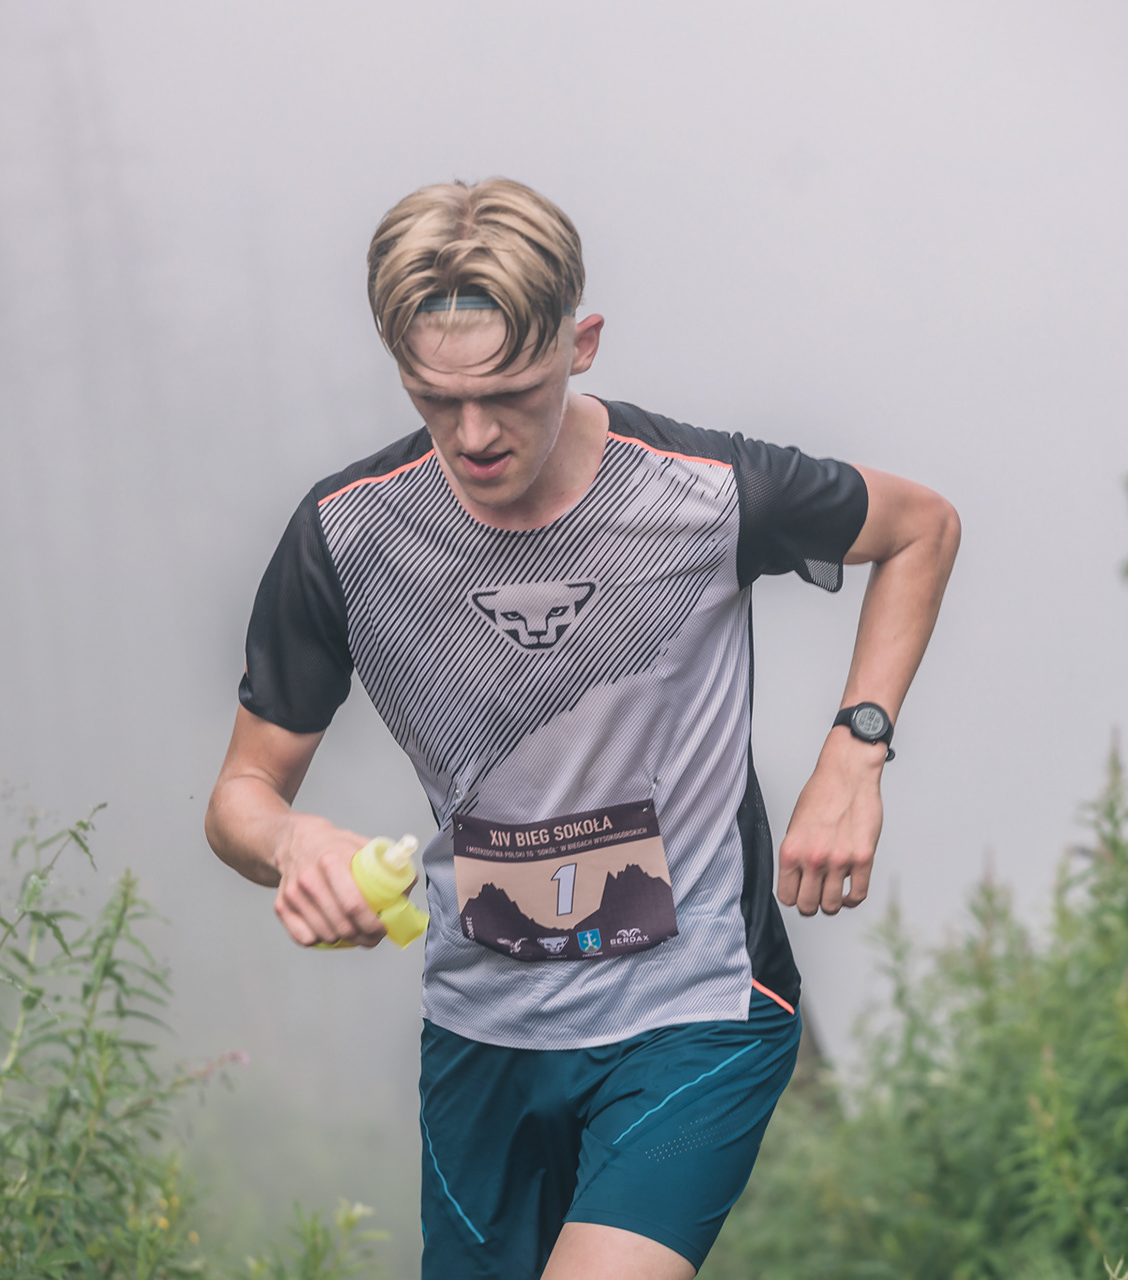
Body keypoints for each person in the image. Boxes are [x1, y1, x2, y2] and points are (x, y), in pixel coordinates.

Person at [204, 177, 960, 1280]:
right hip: (482, 1032)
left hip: (695, 1006)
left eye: (512, 391)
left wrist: (855, 751)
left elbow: (921, 527)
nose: (474, 436)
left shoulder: (705, 491)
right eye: (434, 397)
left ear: (581, 343)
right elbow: (239, 796)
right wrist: (294, 842)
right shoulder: (345, 535)